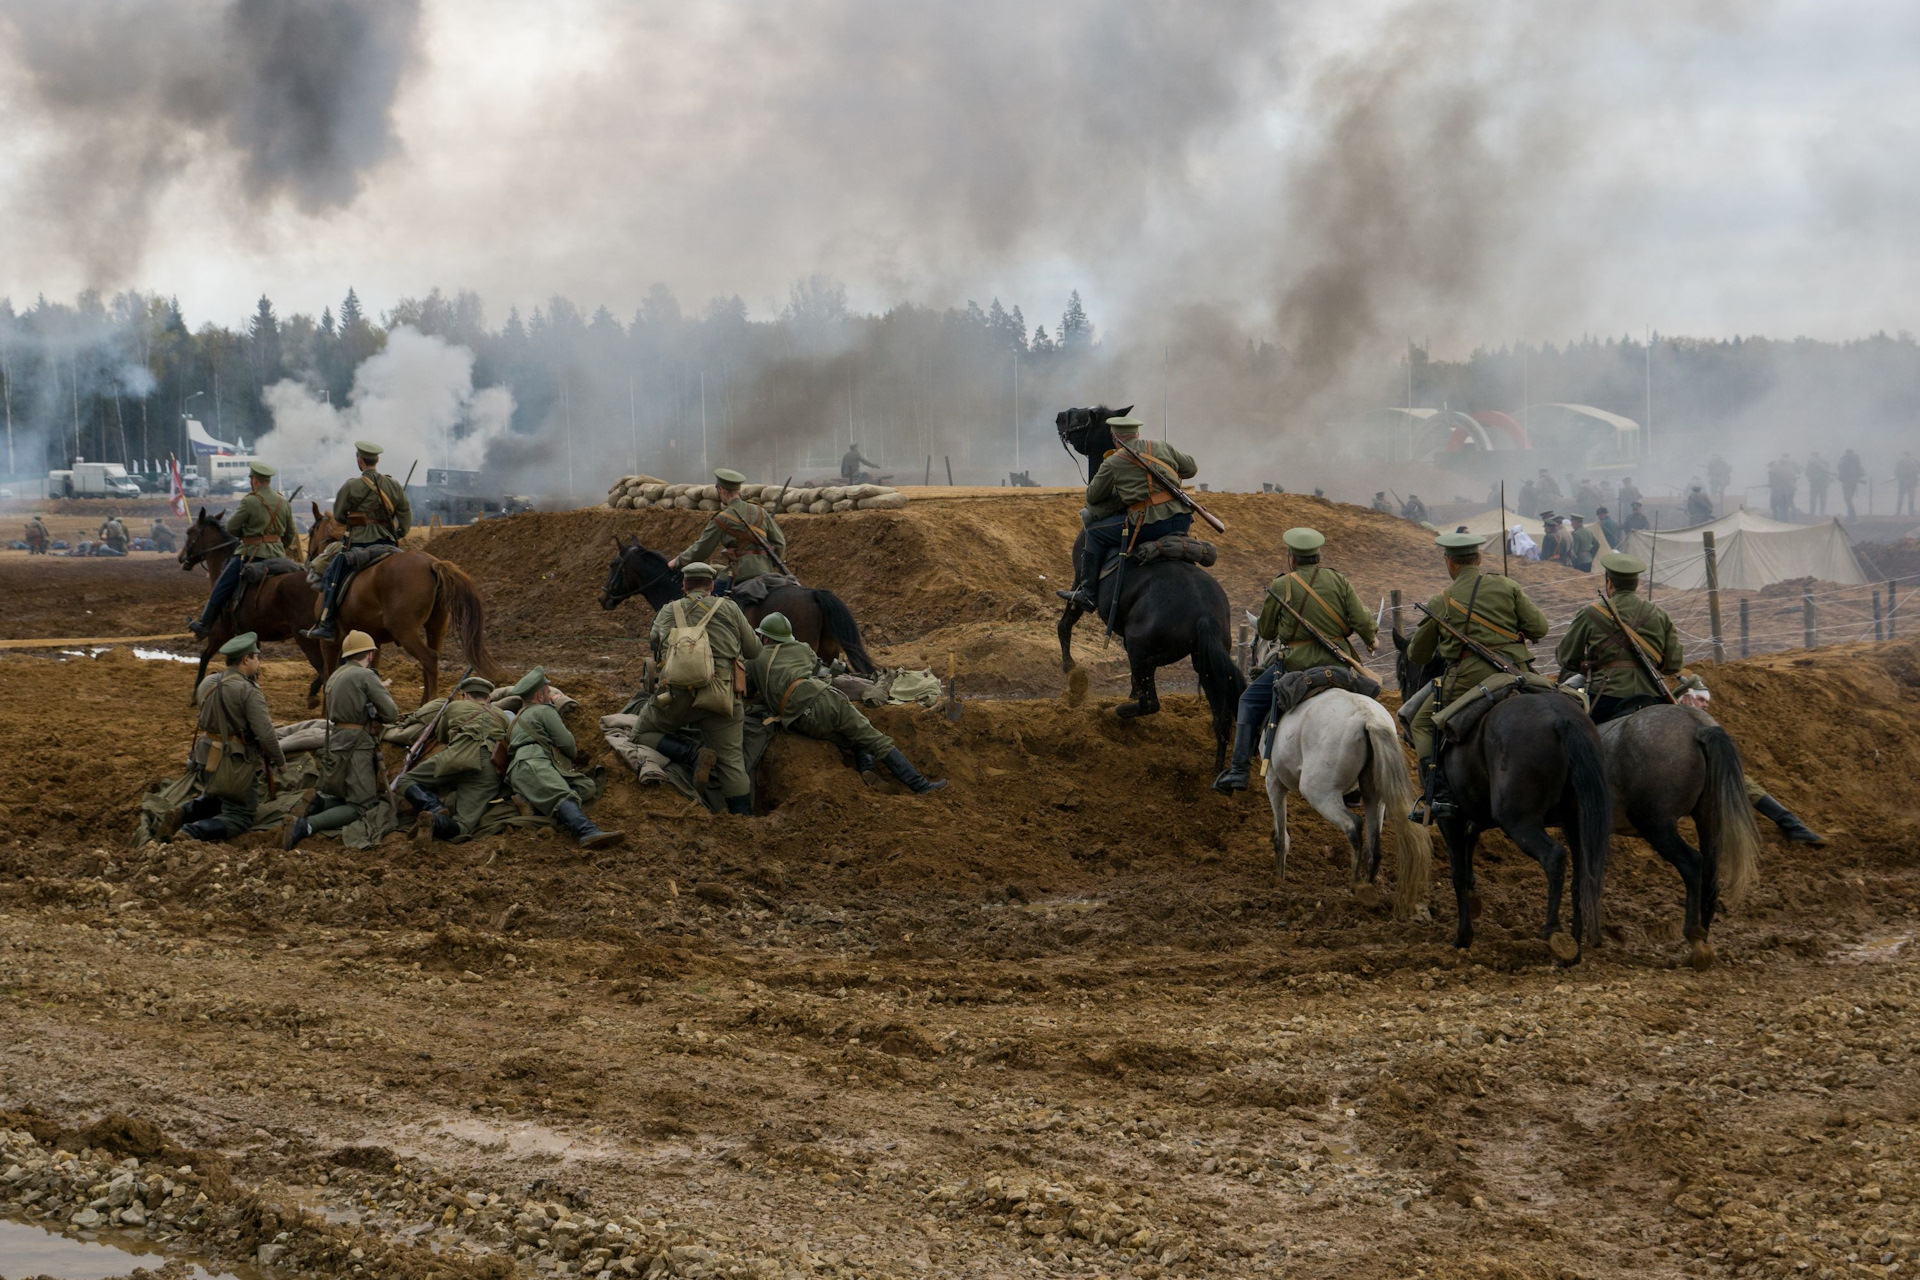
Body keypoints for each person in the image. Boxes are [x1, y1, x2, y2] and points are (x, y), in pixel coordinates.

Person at [1213, 527, 1375, 794]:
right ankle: (1358, 783)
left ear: (1292, 558)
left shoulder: (1281, 585)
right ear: (1318, 556)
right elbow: (1363, 621)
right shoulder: (1339, 580)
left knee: (1248, 701)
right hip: (1339, 664)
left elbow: (1265, 632)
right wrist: (1372, 638)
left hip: (1296, 664)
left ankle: (1239, 770)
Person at [1405, 533, 1550, 821]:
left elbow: (1417, 655)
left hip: (1468, 678)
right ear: (1479, 558)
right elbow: (1540, 628)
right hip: (1516, 671)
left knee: (1419, 723)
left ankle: (1439, 794)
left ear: (1450, 563)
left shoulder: (1443, 600)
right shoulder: (1506, 586)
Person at [746, 612, 946, 793]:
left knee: (850, 737)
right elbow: (822, 672)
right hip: (823, 699)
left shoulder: (753, 660)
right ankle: (921, 786)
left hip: (798, 720)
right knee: (873, 738)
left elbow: (748, 691)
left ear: (765, 637)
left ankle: (866, 769)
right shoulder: (802, 648)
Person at [630, 562, 762, 814]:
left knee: (639, 734)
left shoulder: (669, 610)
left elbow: (655, 647)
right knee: (732, 763)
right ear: (711, 586)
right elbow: (754, 651)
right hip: (721, 696)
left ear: (683, 585)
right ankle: (743, 821)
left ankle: (692, 753)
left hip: (676, 696)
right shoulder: (730, 608)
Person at [157, 632, 287, 842]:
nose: (258, 661)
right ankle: (191, 831)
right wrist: (280, 762)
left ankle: (184, 813)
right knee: (242, 815)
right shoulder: (248, 690)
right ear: (246, 659)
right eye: (256, 657)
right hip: (232, 760)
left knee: (217, 796)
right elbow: (266, 733)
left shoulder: (209, 682)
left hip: (206, 755)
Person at [1059, 416, 1196, 611]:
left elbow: (1093, 496)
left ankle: (1088, 594)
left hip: (1149, 524)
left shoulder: (1113, 461)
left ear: (1115, 438)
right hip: (1182, 520)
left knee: (1094, 533)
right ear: (1137, 434)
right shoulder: (1161, 446)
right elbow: (1191, 468)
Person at [283, 630, 399, 849]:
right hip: (358, 744)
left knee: (348, 793)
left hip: (335, 739)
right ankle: (307, 825)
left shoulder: (335, 675)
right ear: (370, 655)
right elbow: (391, 713)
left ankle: (319, 803)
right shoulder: (366, 676)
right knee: (362, 805)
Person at [1554, 553, 1682, 723]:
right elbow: (1674, 664)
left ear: (1609, 582)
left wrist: (1589, 663)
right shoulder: (1659, 614)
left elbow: (1567, 658)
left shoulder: (1590, 613)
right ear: (1636, 584)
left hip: (1606, 695)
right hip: (1653, 694)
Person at [305, 440, 411, 641]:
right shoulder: (393, 485)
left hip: (359, 546)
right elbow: (405, 516)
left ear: (360, 461)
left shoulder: (351, 486)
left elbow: (339, 516)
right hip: (388, 545)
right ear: (377, 460)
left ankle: (327, 624)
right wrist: (398, 533)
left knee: (330, 576)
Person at [504, 666, 622, 847]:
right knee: (562, 795)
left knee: (586, 786)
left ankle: (529, 800)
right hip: (534, 765)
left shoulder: (517, 719)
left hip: (521, 769)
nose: (550, 697)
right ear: (540, 697)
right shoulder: (544, 711)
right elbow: (568, 744)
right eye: (547, 692)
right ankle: (586, 832)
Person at [394, 675, 511, 843]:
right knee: (463, 826)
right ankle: (435, 822)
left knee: (406, 779)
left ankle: (434, 808)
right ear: (489, 698)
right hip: (488, 765)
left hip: (456, 757)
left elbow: (442, 736)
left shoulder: (454, 707)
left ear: (466, 696)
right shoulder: (502, 715)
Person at [188, 460, 297, 639]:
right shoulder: (283, 502)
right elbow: (290, 534)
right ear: (268, 480)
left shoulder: (250, 501)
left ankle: (204, 624)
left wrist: (246, 535)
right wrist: (277, 548)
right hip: (278, 556)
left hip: (251, 555)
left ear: (254, 480)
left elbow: (231, 528)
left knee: (221, 584)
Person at [671, 468, 787, 592]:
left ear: (721, 490)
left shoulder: (722, 518)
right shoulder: (760, 511)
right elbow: (780, 543)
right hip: (766, 572)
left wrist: (678, 561)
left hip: (740, 574)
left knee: (710, 600)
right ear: (738, 490)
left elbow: (702, 549)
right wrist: (767, 564)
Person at [1766, 455, 1798, 521]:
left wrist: (1770, 485)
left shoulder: (1774, 470)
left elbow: (1772, 482)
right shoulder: (1790, 469)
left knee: (1775, 506)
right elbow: (1793, 479)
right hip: (1788, 490)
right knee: (1786, 506)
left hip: (1778, 491)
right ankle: (1788, 519)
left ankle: (1777, 520)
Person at [1837, 448, 1866, 521]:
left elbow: (1841, 468)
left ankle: (1852, 516)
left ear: (1846, 452)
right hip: (1854, 481)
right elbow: (1859, 470)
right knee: (1850, 498)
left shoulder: (1845, 458)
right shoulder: (1856, 459)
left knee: (1847, 499)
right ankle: (1850, 516)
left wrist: (1840, 477)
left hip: (1847, 481)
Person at [1805, 452, 1831, 516]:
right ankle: (1822, 513)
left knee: (1813, 498)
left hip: (1814, 482)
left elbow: (1807, 472)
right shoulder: (1824, 462)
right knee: (1823, 498)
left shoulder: (1810, 463)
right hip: (1823, 482)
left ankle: (1812, 513)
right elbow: (1827, 472)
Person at [1898, 451, 1920, 517]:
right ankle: (1911, 512)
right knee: (1911, 498)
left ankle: (1898, 512)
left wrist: (1901, 477)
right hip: (1912, 483)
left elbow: (1896, 472)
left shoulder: (1901, 462)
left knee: (1900, 497)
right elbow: (1918, 471)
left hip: (1902, 483)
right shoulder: (1915, 461)